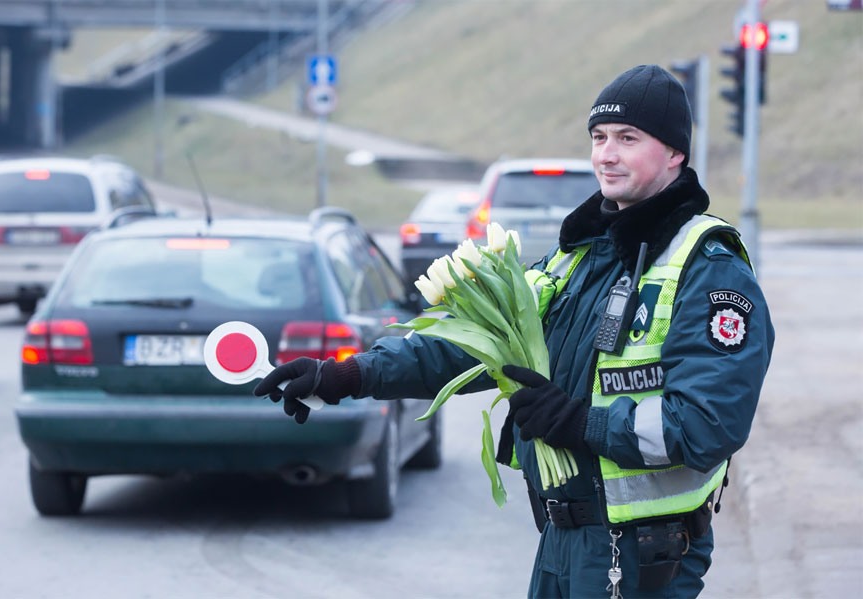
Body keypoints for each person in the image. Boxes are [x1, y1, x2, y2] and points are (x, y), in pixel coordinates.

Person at [254, 64, 775, 598]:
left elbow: (708, 424)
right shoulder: (576, 258)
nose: (606, 155)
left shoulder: (708, 268)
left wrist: (581, 423)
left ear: (675, 153)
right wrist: (350, 375)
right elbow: (472, 344)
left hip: (639, 558)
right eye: (598, 138)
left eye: (628, 138)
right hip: (562, 542)